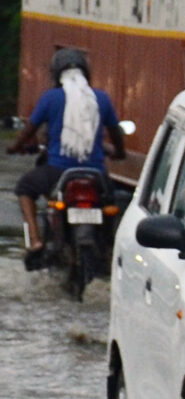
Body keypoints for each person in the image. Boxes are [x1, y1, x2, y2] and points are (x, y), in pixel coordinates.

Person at [11, 47, 126, 269]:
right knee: (113, 203)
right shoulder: (101, 98)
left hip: (57, 171)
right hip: (96, 174)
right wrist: (119, 153)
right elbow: (116, 133)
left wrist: (15, 147)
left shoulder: (51, 98)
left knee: (24, 188)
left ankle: (35, 241)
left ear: (56, 74)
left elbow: (29, 130)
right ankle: (111, 250)